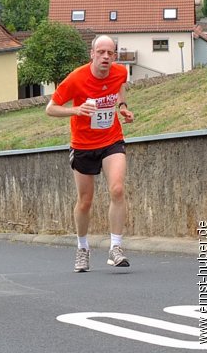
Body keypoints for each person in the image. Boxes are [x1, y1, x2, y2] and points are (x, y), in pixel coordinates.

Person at [46, 34, 135, 273]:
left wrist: (122, 107)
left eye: (110, 53)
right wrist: (76, 110)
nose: (106, 57)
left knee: (117, 188)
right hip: (83, 145)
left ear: (114, 56)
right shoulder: (76, 78)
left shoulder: (119, 72)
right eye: (101, 52)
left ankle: (115, 247)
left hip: (111, 140)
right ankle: (82, 247)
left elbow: (119, 87)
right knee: (85, 202)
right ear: (92, 54)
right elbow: (50, 108)